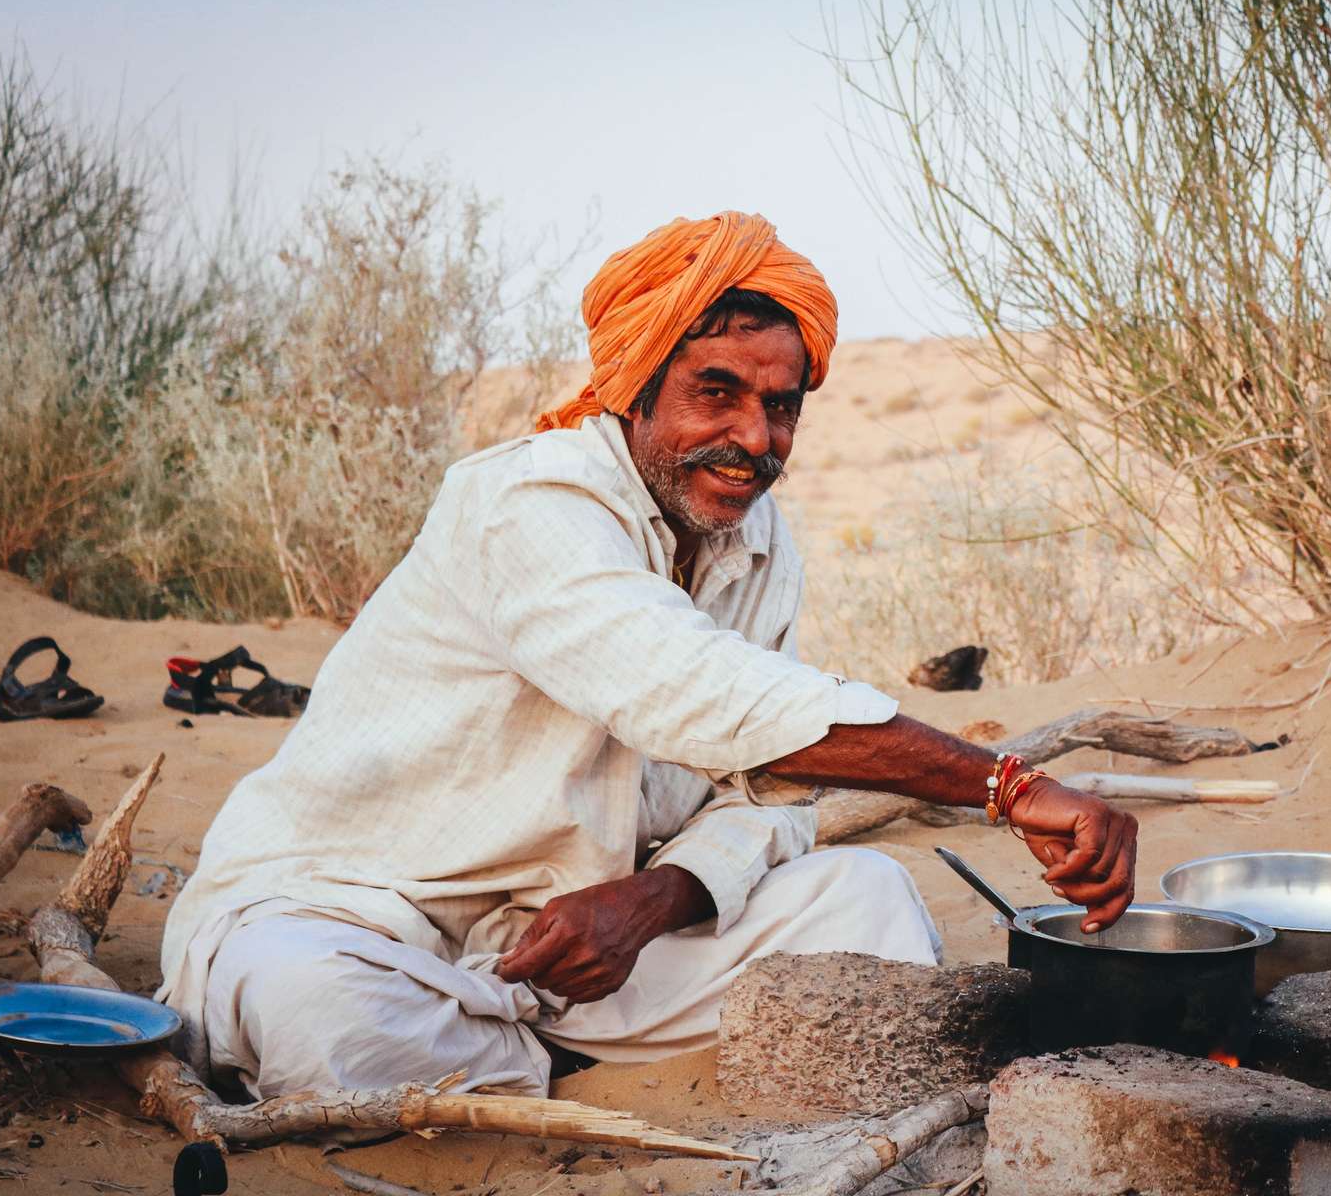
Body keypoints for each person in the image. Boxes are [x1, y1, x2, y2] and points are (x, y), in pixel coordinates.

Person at [157, 212, 1137, 1100]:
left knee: (863, 899)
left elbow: (765, 799)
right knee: (314, 1009)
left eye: (782, 406)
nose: (754, 439)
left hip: (579, 956)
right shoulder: (530, 504)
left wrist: (652, 899)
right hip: (362, 923)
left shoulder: (758, 543)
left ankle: (515, 1060)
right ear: (634, 388)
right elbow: (703, 695)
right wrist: (1006, 784)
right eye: (716, 393)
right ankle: (527, 1066)